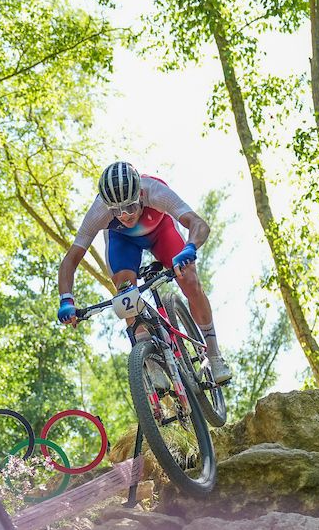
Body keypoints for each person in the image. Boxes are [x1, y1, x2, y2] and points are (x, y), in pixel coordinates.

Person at [56, 161, 232, 385]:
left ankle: (214, 354)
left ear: (140, 194)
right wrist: (66, 299)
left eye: (130, 206)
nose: (125, 215)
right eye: (116, 210)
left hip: (161, 231)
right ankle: (151, 361)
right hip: (123, 242)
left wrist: (190, 248)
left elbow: (198, 224)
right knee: (125, 293)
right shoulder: (99, 211)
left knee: (188, 278)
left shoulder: (155, 190)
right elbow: (70, 260)